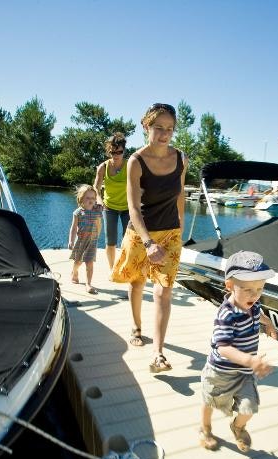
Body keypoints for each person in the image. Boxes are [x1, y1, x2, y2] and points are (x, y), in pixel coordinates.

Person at [110, 103, 187, 372]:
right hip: (140, 232)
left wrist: (181, 225)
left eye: (169, 129)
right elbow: (132, 207)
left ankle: (159, 353)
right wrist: (148, 242)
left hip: (169, 233)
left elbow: (180, 193)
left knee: (163, 290)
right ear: (146, 127)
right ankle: (136, 325)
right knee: (137, 281)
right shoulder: (135, 161)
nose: (164, 134)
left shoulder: (181, 158)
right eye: (158, 128)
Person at [198, 251, 278, 453]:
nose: (255, 295)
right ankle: (205, 428)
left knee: (249, 408)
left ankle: (238, 426)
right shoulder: (226, 314)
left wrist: (268, 324)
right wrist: (250, 360)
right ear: (230, 286)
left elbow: (259, 313)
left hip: (244, 374)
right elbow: (223, 347)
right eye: (248, 289)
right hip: (220, 373)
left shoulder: (254, 304)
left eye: (260, 288)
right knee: (210, 402)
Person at [94, 133, 130, 270]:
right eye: (113, 152)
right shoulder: (103, 167)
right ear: (109, 151)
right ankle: (112, 269)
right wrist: (99, 199)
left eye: (119, 152)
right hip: (109, 208)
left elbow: (138, 185)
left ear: (124, 151)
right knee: (110, 242)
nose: (116, 155)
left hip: (127, 208)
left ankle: (126, 268)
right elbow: (96, 187)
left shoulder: (130, 165)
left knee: (128, 241)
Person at [68, 184, 103, 294]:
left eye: (93, 198)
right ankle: (74, 272)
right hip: (81, 241)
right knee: (78, 262)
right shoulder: (78, 212)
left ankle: (88, 284)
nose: (91, 200)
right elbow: (73, 228)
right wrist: (71, 240)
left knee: (89, 263)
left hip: (92, 242)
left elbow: (103, 205)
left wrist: (99, 202)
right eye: (88, 198)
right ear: (81, 199)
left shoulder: (97, 210)